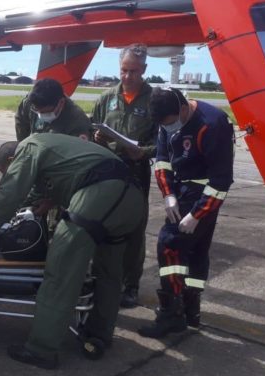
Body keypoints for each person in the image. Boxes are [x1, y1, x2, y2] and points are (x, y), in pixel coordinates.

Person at [0, 134, 143, 369]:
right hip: (132, 200)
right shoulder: (56, 146)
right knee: (109, 272)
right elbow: (73, 175)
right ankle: (99, 334)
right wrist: (50, 200)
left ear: (12, 157)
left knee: (60, 269)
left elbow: (11, 193)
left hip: (101, 195)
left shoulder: (30, 147)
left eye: (6, 170)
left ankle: (41, 349)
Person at [138, 87, 234, 338]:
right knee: (195, 250)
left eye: (170, 123)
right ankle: (191, 310)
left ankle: (172, 314)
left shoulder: (212, 125)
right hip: (180, 191)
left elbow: (221, 180)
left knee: (169, 244)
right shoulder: (165, 120)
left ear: (182, 109)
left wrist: (198, 214)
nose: (167, 128)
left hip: (203, 195)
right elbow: (162, 161)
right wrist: (168, 194)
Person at [92, 43, 158, 308]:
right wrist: (97, 137)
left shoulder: (154, 101)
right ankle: (102, 278)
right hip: (108, 170)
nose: (127, 76)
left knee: (133, 230)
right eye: (123, 70)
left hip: (136, 171)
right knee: (102, 225)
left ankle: (130, 286)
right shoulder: (107, 98)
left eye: (133, 71)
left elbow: (164, 141)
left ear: (144, 70)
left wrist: (144, 152)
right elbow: (91, 127)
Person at [15, 78, 91, 142]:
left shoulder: (78, 121)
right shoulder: (29, 103)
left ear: (61, 102)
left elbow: (79, 153)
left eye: (46, 112)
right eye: (37, 111)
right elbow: (21, 122)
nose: (41, 115)